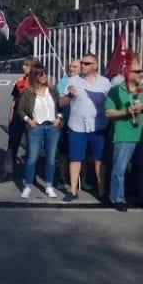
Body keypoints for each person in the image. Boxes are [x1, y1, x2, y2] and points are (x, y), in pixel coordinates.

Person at [105, 59, 143, 212]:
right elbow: (108, 112)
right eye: (138, 71)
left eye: (142, 71)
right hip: (124, 134)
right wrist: (125, 112)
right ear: (127, 73)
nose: (142, 74)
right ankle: (117, 198)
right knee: (120, 168)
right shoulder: (116, 90)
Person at [59, 53, 111, 202]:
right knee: (75, 158)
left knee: (99, 159)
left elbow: (111, 102)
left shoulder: (105, 83)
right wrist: (69, 96)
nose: (83, 65)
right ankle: (73, 190)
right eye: (82, 63)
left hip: (98, 125)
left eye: (87, 63)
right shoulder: (72, 81)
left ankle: (102, 192)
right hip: (77, 125)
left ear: (95, 66)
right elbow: (61, 103)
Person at [16, 64, 63, 199]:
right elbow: (20, 109)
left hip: (52, 127)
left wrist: (58, 119)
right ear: (34, 76)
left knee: (51, 159)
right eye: (40, 74)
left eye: (45, 74)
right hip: (36, 127)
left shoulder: (52, 90)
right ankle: (28, 186)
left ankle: (49, 186)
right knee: (32, 158)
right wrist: (28, 120)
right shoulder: (28, 92)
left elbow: (60, 107)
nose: (44, 76)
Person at [0, 56, 40, 183]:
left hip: (34, 117)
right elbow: (15, 100)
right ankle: (7, 170)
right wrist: (11, 114)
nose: (23, 67)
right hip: (18, 115)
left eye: (26, 65)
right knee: (13, 143)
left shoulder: (41, 82)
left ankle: (31, 172)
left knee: (32, 146)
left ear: (33, 68)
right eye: (23, 65)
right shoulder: (20, 81)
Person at [54, 59, 80, 191]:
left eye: (75, 66)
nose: (71, 68)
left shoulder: (84, 82)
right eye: (70, 66)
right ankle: (62, 177)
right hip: (66, 120)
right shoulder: (64, 81)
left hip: (80, 122)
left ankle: (82, 179)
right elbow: (59, 102)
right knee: (64, 150)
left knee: (81, 153)